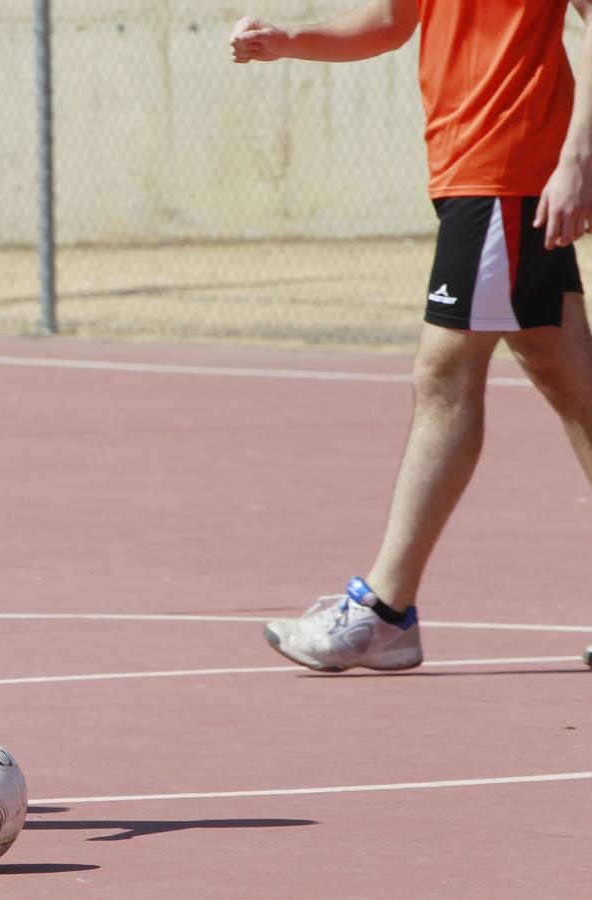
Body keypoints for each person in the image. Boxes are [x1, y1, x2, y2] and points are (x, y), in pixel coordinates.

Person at [232, 0, 592, 672]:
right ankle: (386, 616)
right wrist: (291, 40)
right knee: (570, 379)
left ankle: (384, 612)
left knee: (443, 376)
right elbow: (392, 22)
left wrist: (578, 155)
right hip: (474, 171)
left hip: (507, 167)